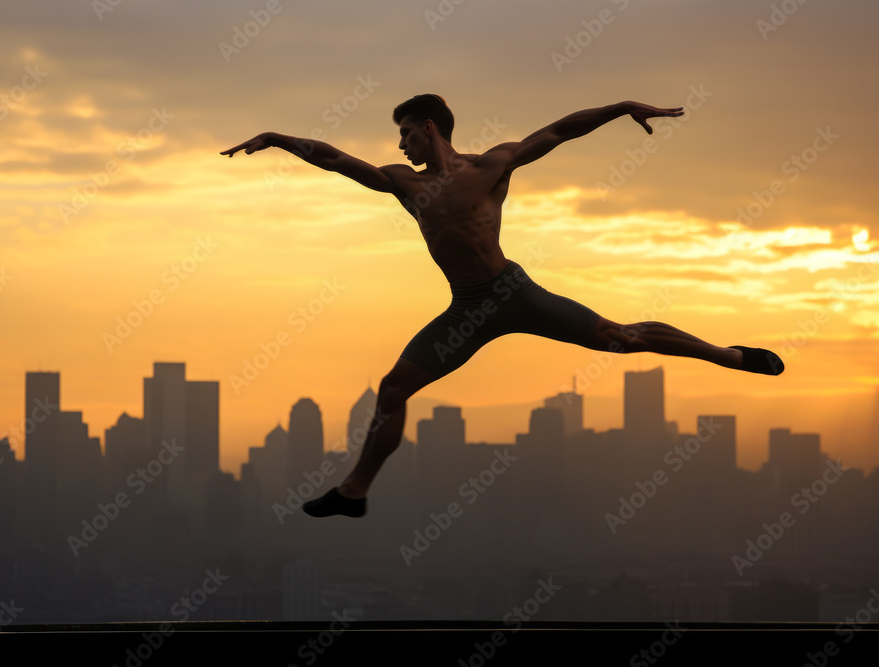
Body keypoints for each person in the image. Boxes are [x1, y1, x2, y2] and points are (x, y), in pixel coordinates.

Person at [221, 94, 783, 518]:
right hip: (465, 308)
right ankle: (354, 492)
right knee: (393, 389)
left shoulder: (492, 166)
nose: (399, 147)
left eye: (405, 134)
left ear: (428, 128)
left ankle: (730, 356)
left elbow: (560, 130)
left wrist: (622, 108)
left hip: (514, 294)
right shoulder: (405, 185)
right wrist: (278, 138)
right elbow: (338, 160)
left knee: (621, 338)